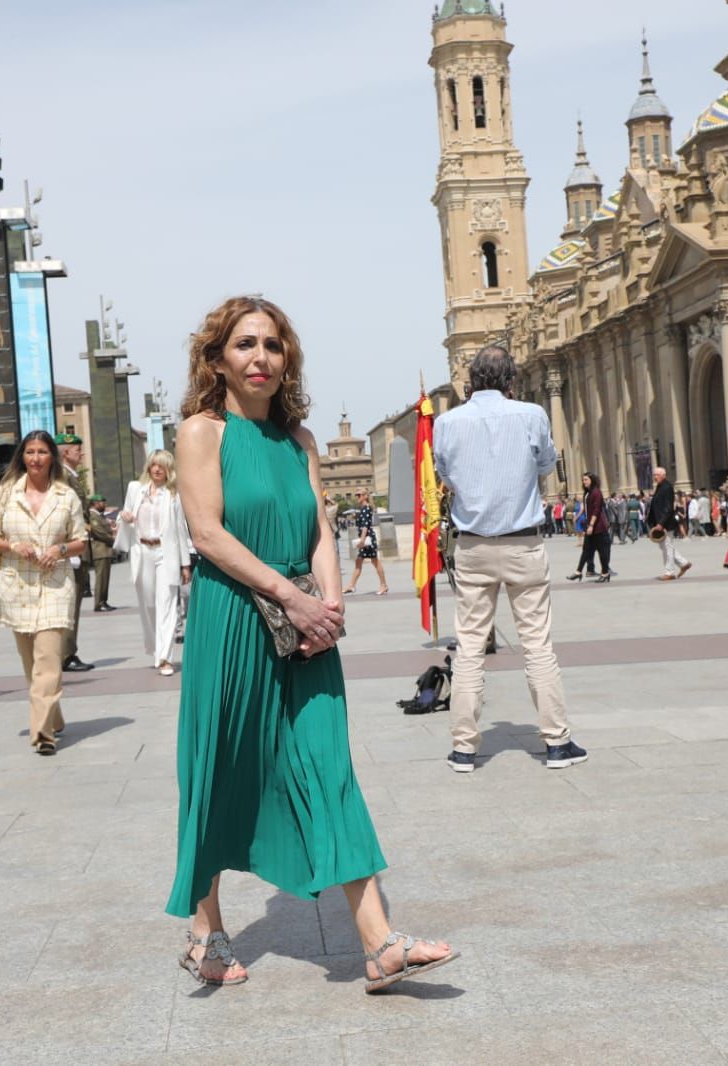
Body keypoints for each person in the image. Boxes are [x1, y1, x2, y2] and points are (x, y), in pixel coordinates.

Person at [166, 296, 453, 993]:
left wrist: (328, 601)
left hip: (304, 628)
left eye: (271, 344)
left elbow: (320, 528)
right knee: (221, 766)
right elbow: (208, 534)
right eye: (243, 345)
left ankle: (380, 945)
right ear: (218, 360)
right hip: (232, 620)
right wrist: (289, 597)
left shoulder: (301, 442)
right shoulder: (201, 433)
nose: (259, 357)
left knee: (328, 766)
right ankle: (205, 931)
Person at [436, 343, 588, 776]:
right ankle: (557, 742)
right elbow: (545, 464)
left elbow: (445, 474)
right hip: (523, 543)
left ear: (473, 380)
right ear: (510, 381)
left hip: (473, 545)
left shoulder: (447, 423)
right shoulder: (532, 415)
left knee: (468, 647)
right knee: (537, 644)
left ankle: (464, 749)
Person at [0, 430, 89, 755]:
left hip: (55, 585)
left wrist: (60, 548)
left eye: (42, 452)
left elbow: (81, 539)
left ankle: (42, 735)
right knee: (32, 666)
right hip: (17, 586)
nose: (36, 458)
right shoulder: (7, 493)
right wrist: (13, 545)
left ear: (52, 456)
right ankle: (53, 716)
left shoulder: (65, 496)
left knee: (48, 660)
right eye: (30, 452)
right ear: (22, 457)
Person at [115, 450, 193, 675]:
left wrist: (185, 564)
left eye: (162, 466)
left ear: (169, 470)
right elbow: (125, 515)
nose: (157, 469)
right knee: (149, 606)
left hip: (165, 554)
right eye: (154, 465)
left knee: (167, 605)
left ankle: (165, 657)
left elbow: (180, 530)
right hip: (142, 551)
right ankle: (155, 647)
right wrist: (125, 517)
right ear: (148, 467)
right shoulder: (134, 489)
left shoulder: (174, 495)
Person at [54, 433, 97, 673]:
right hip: (71, 548)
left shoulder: (71, 476)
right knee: (71, 604)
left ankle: (68, 651)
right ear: (64, 453)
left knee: (75, 603)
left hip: (77, 546)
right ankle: (66, 654)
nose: (81, 453)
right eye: (76, 450)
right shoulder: (62, 477)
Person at [646, 466, 690, 580]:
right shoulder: (660, 487)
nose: (655, 477)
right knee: (665, 546)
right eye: (654, 475)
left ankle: (669, 572)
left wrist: (661, 523)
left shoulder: (667, 487)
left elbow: (668, 507)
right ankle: (683, 563)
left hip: (666, 523)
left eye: (657, 475)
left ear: (663, 475)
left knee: (667, 547)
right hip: (660, 523)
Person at [341, 490, 388, 595]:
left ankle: (383, 585)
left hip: (368, 539)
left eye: (359, 495)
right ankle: (351, 586)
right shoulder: (363, 509)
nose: (357, 496)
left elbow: (366, 526)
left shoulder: (366, 508)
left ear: (365, 496)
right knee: (359, 561)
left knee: (375, 561)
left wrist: (362, 540)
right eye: (356, 494)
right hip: (365, 538)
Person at [567, 472, 611, 582]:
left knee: (602, 551)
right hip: (590, 526)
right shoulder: (587, 493)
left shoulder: (596, 492)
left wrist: (591, 525)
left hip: (598, 526)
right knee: (586, 550)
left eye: (586, 479)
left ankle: (605, 573)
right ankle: (578, 572)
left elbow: (596, 510)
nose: (584, 482)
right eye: (583, 480)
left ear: (592, 479)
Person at [88, 496, 117, 611]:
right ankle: (98, 603)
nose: (104, 505)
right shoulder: (93, 516)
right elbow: (99, 532)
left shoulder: (99, 516)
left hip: (105, 551)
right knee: (101, 579)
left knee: (105, 579)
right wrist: (113, 540)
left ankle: (104, 601)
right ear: (95, 503)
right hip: (100, 551)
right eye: (102, 503)